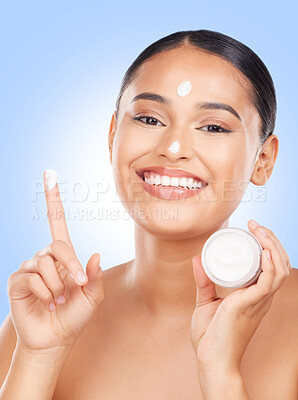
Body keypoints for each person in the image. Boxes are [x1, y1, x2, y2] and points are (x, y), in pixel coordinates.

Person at [0, 29, 297, 400]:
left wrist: (220, 372)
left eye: (213, 126)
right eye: (150, 119)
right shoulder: (39, 321)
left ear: (264, 160)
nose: (173, 149)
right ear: (112, 136)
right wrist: (39, 357)